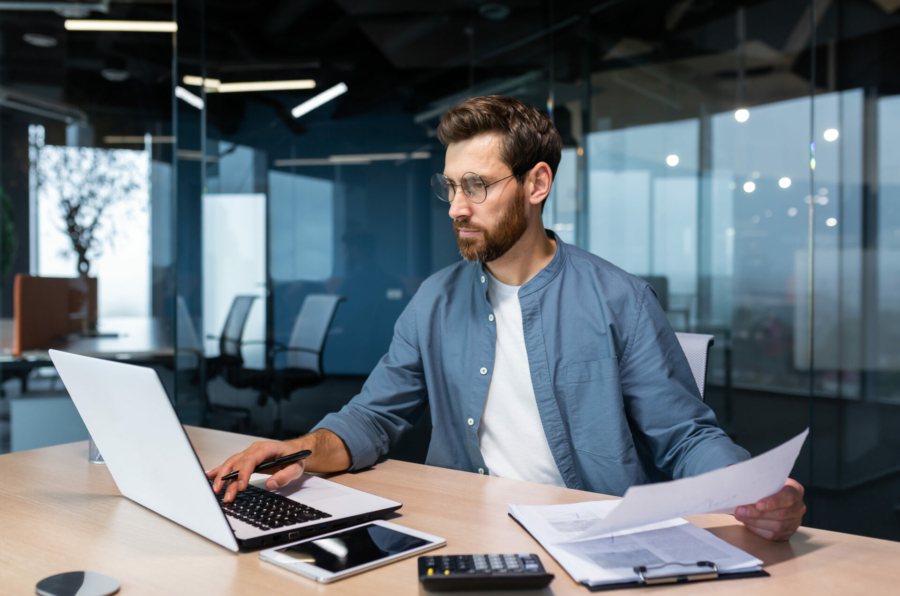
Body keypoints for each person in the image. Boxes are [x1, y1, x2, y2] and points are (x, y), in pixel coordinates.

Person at [208, 95, 806, 542]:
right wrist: (299, 450)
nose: (458, 208)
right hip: (463, 528)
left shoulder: (619, 298)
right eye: (450, 188)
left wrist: (752, 490)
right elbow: (373, 417)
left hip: (593, 536)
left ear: (537, 183)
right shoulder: (434, 302)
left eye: (477, 186)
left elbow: (684, 436)